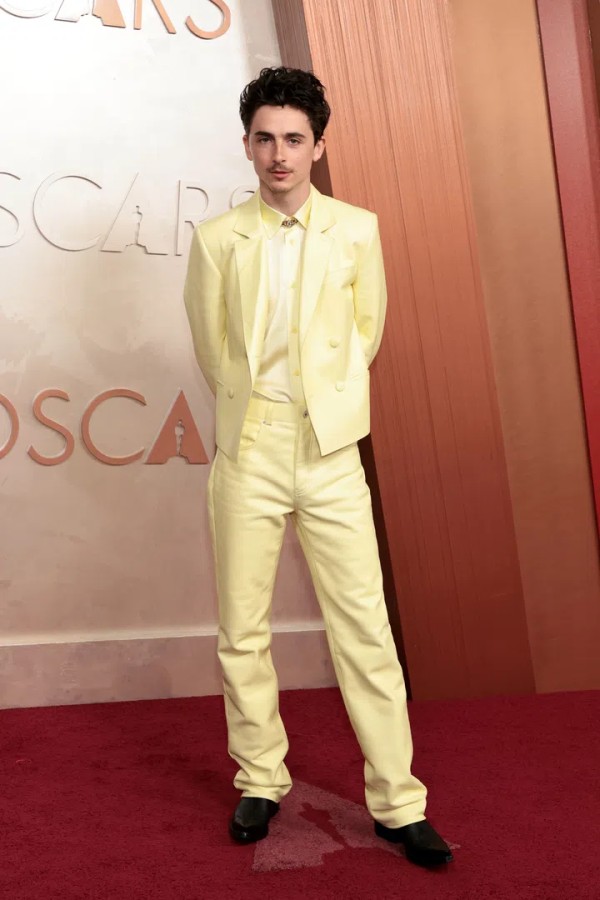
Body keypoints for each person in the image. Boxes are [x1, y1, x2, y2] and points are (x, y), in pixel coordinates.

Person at [184, 66, 452, 868]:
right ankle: (260, 777)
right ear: (247, 146)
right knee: (242, 627)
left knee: (365, 628)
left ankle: (399, 802)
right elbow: (213, 347)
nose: (278, 154)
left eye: (293, 139)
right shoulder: (216, 240)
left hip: (331, 450)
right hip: (251, 448)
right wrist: (253, 416)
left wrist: (326, 412)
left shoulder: (358, 230)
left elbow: (365, 335)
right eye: (264, 138)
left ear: (317, 147)